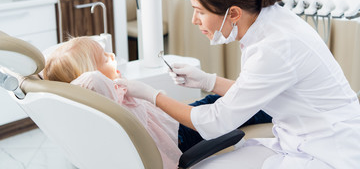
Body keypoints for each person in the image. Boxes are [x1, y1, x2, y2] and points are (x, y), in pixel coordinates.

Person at [117, 0, 360, 169]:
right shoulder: (266, 21)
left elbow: (215, 123)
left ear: (233, 13)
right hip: (299, 137)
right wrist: (208, 80)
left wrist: (153, 96)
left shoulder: (274, 46)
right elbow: (253, 91)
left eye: (200, 11)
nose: (194, 20)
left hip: (330, 149)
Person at [43, 36, 271, 169]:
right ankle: (274, 107)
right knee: (236, 109)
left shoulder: (103, 99)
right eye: (105, 58)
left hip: (172, 122)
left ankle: (268, 98)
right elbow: (91, 81)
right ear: (90, 72)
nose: (112, 57)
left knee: (214, 100)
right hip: (180, 135)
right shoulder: (101, 93)